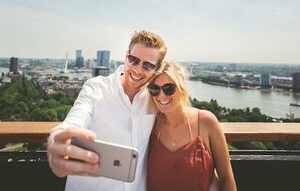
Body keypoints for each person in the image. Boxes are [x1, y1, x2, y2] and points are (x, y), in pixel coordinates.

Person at [47, 30, 167, 191]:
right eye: (133, 60)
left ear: (156, 69)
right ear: (126, 57)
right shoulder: (96, 88)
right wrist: (56, 144)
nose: (138, 70)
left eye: (147, 65)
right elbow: (74, 121)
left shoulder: (155, 98)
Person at [147, 61, 237, 191]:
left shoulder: (206, 122)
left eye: (168, 89)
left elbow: (226, 178)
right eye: (154, 90)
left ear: (181, 88)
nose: (161, 96)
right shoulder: (151, 125)